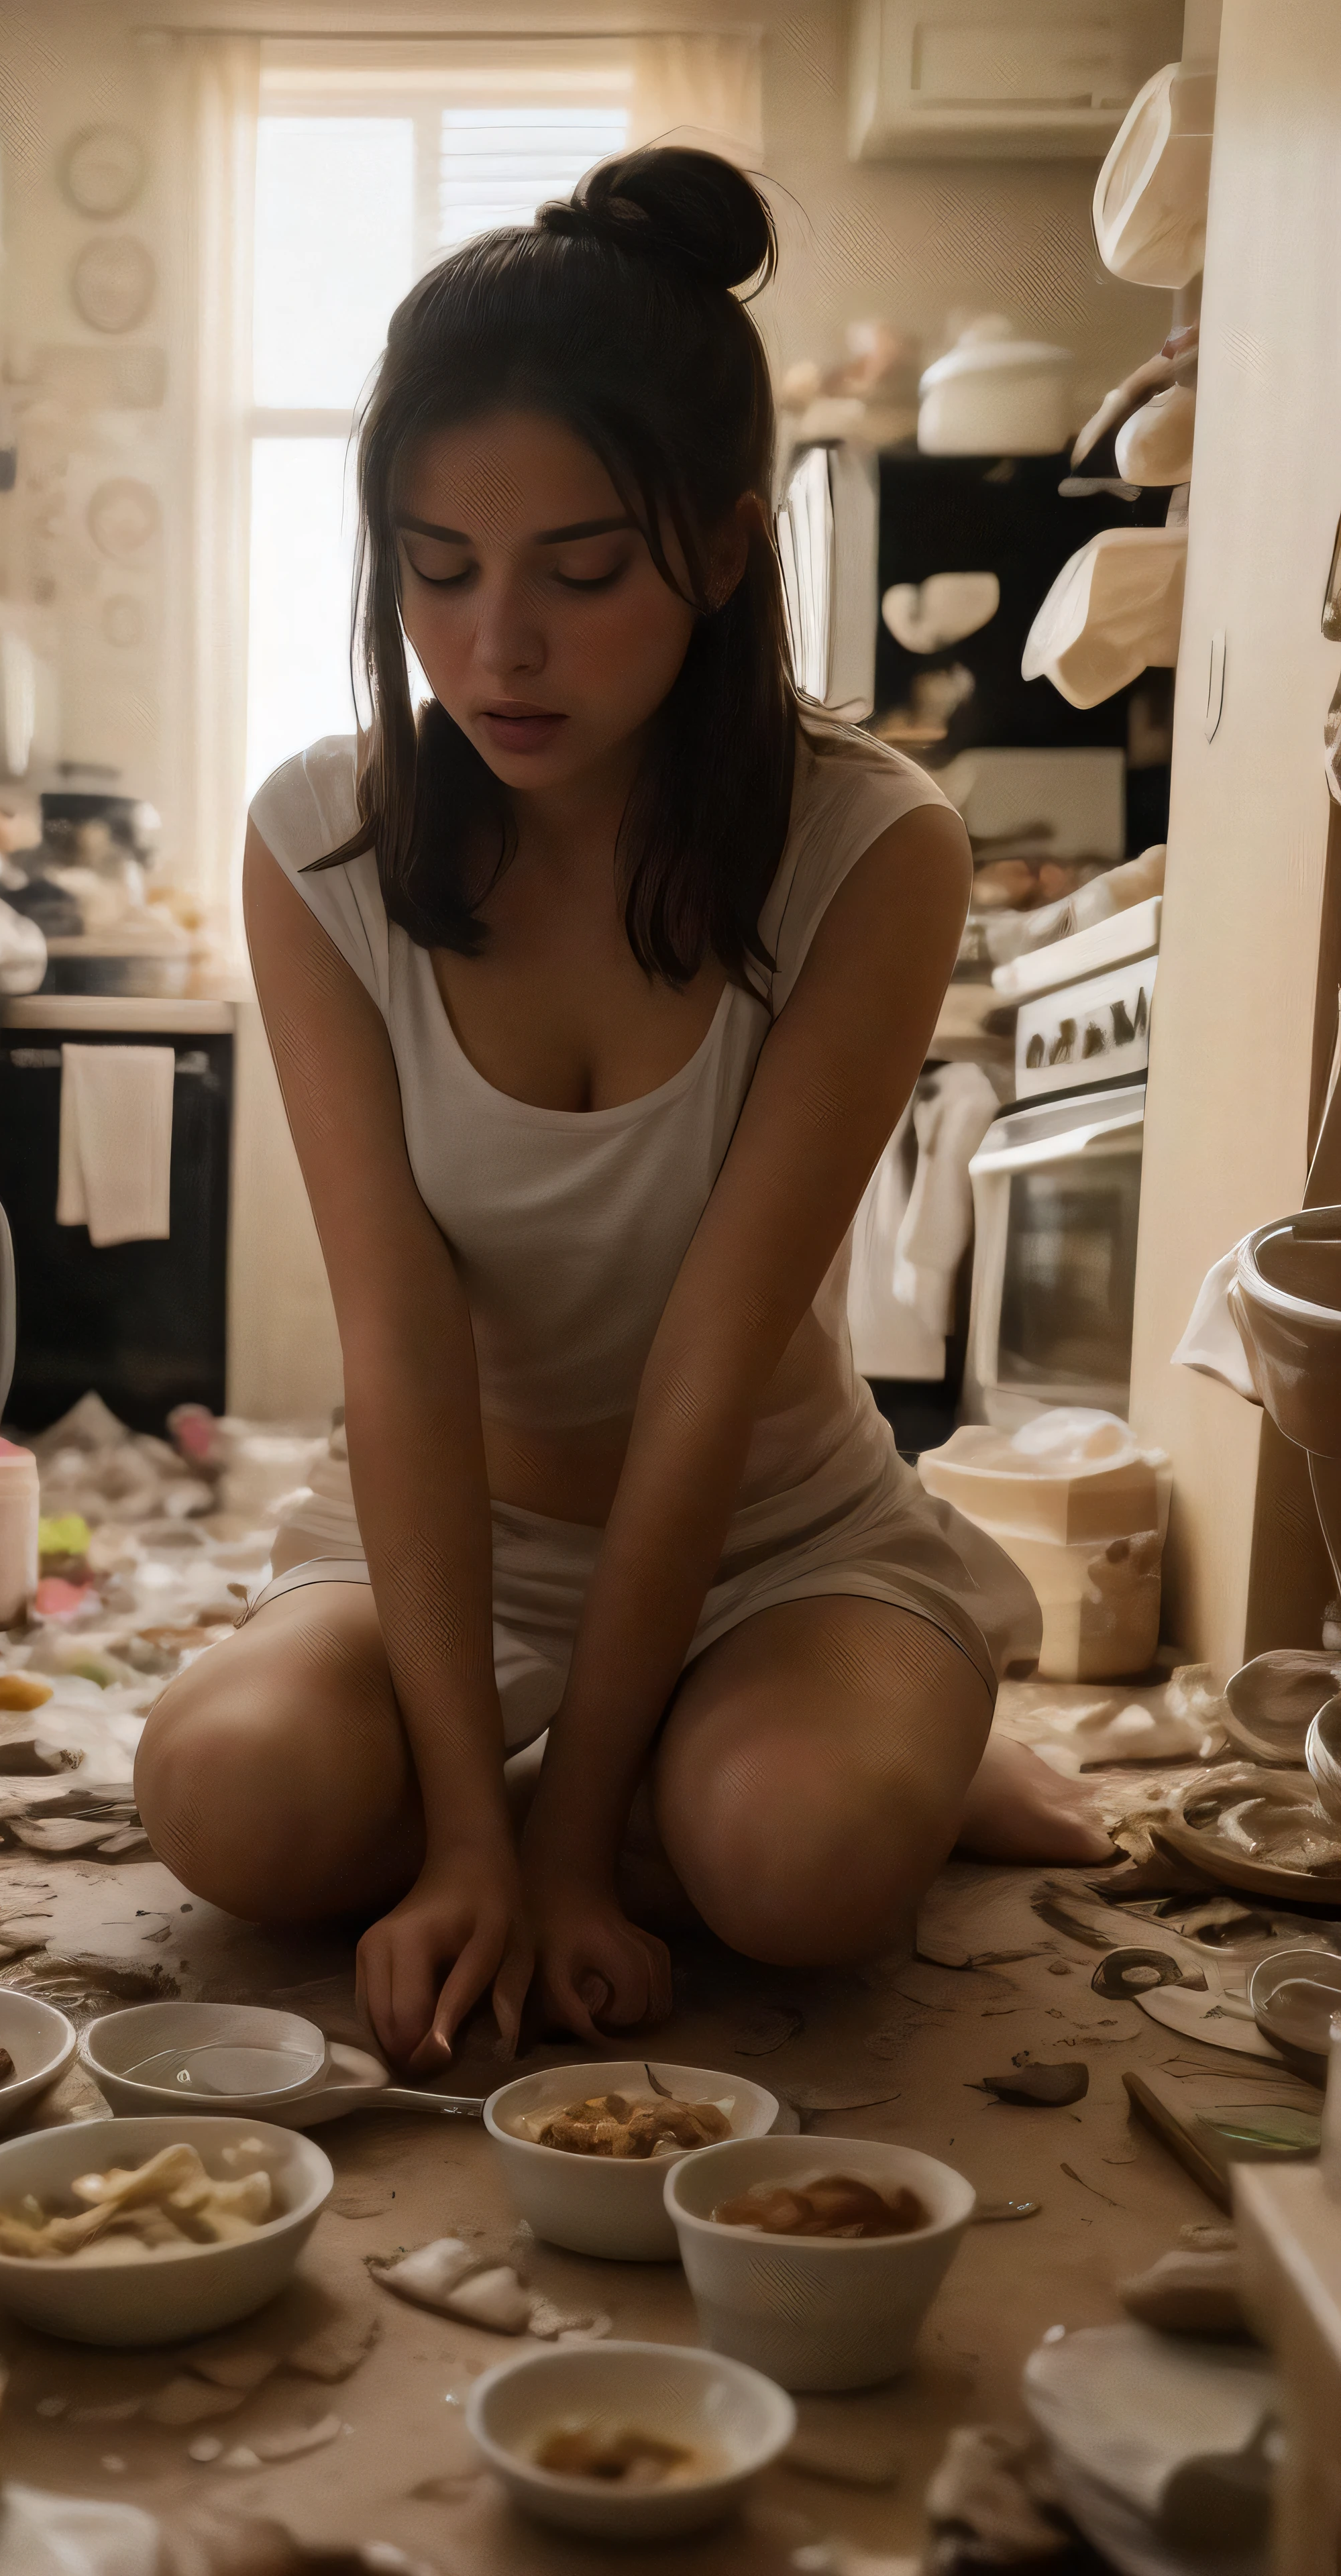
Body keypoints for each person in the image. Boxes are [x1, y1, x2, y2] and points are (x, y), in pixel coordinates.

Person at [136, 146, 1110, 2076]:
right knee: (229, 1804)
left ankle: (839, 1737)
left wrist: (565, 1849)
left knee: (801, 1868)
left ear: (726, 550)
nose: (495, 650)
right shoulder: (320, 842)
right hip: (439, 1540)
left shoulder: (872, 846)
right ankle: (629, 1759)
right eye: (436, 570)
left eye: (581, 575)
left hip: (769, 1533)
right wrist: (477, 1842)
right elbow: (399, 1350)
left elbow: (706, 1368)